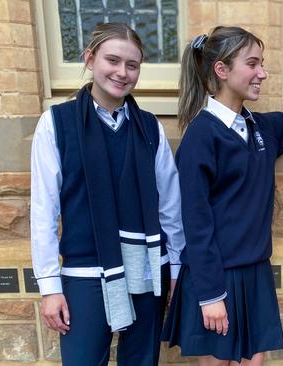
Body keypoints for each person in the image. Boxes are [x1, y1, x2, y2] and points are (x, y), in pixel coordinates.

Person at [161, 26, 283, 366]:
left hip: (255, 272)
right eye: (253, 64)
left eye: (262, 63)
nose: (262, 73)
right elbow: (195, 223)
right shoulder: (201, 137)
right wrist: (210, 296)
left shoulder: (261, 126)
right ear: (222, 70)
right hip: (216, 277)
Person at [30, 22, 184, 365]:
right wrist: (50, 287)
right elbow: (44, 210)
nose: (122, 72)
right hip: (85, 274)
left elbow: (171, 206)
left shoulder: (149, 128)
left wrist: (175, 267)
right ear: (90, 58)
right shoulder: (56, 123)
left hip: (146, 269)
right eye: (112, 60)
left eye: (132, 65)